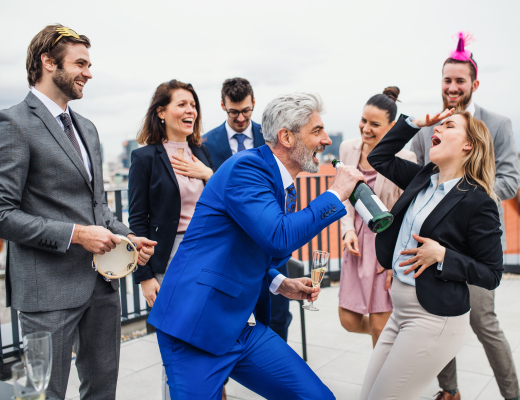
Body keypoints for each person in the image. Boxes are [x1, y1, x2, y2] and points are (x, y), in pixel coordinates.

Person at [148, 92, 365, 400]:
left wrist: (279, 282)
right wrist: (335, 194)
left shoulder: (281, 184)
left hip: (242, 327)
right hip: (195, 325)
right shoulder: (246, 169)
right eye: (316, 131)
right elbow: (279, 236)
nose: (326, 139)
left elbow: (260, 247)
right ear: (286, 137)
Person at [0, 24, 156, 399]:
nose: (89, 72)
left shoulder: (86, 127)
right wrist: (77, 234)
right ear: (48, 62)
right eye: (80, 63)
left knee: (102, 391)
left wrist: (126, 236)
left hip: (102, 286)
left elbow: (97, 206)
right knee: (46, 394)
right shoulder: (14, 123)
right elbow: (4, 214)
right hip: (46, 291)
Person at [359, 108, 504, 400]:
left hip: (434, 320)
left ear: (468, 145)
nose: (437, 129)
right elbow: (378, 158)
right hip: (399, 312)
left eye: (448, 125)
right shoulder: (423, 178)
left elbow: (492, 273)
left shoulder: (478, 202)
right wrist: (413, 123)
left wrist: (443, 255)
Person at [410, 32, 520, 400]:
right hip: (433, 244)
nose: (452, 87)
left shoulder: (498, 123)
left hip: (475, 245)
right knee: (438, 320)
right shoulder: (429, 126)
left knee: (484, 323)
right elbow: (411, 174)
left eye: (460, 81)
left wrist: (467, 195)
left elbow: (510, 180)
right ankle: (450, 391)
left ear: (474, 83)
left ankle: (512, 395)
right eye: (447, 80)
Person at [128, 79, 215, 400]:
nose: (190, 110)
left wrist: (207, 174)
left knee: (209, 338)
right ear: (161, 112)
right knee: (178, 345)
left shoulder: (202, 153)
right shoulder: (145, 158)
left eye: (192, 104)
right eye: (182, 104)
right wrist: (145, 276)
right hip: (170, 258)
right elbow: (137, 220)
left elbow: (225, 200)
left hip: (209, 255)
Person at [203, 77, 292, 343]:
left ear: (254, 103)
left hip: (269, 239)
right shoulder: (206, 143)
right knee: (224, 315)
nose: (240, 118)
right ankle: (223, 378)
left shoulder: (271, 137)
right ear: (222, 105)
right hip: (229, 245)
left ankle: (277, 374)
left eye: (246, 111)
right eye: (233, 112)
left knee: (277, 313)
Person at [338, 86, 417, 347]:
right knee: (347, 320)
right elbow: (344, 196)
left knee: (380, 324)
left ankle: (381, 383)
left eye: (375, 123)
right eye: (363, 120)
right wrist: (347, 229)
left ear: (393, 126)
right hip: (357, 245)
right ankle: (396, 339)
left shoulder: (405, 157)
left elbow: (409, 212)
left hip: (385, 245)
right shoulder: (348, 149)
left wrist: (397, 259)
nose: (366, 128)